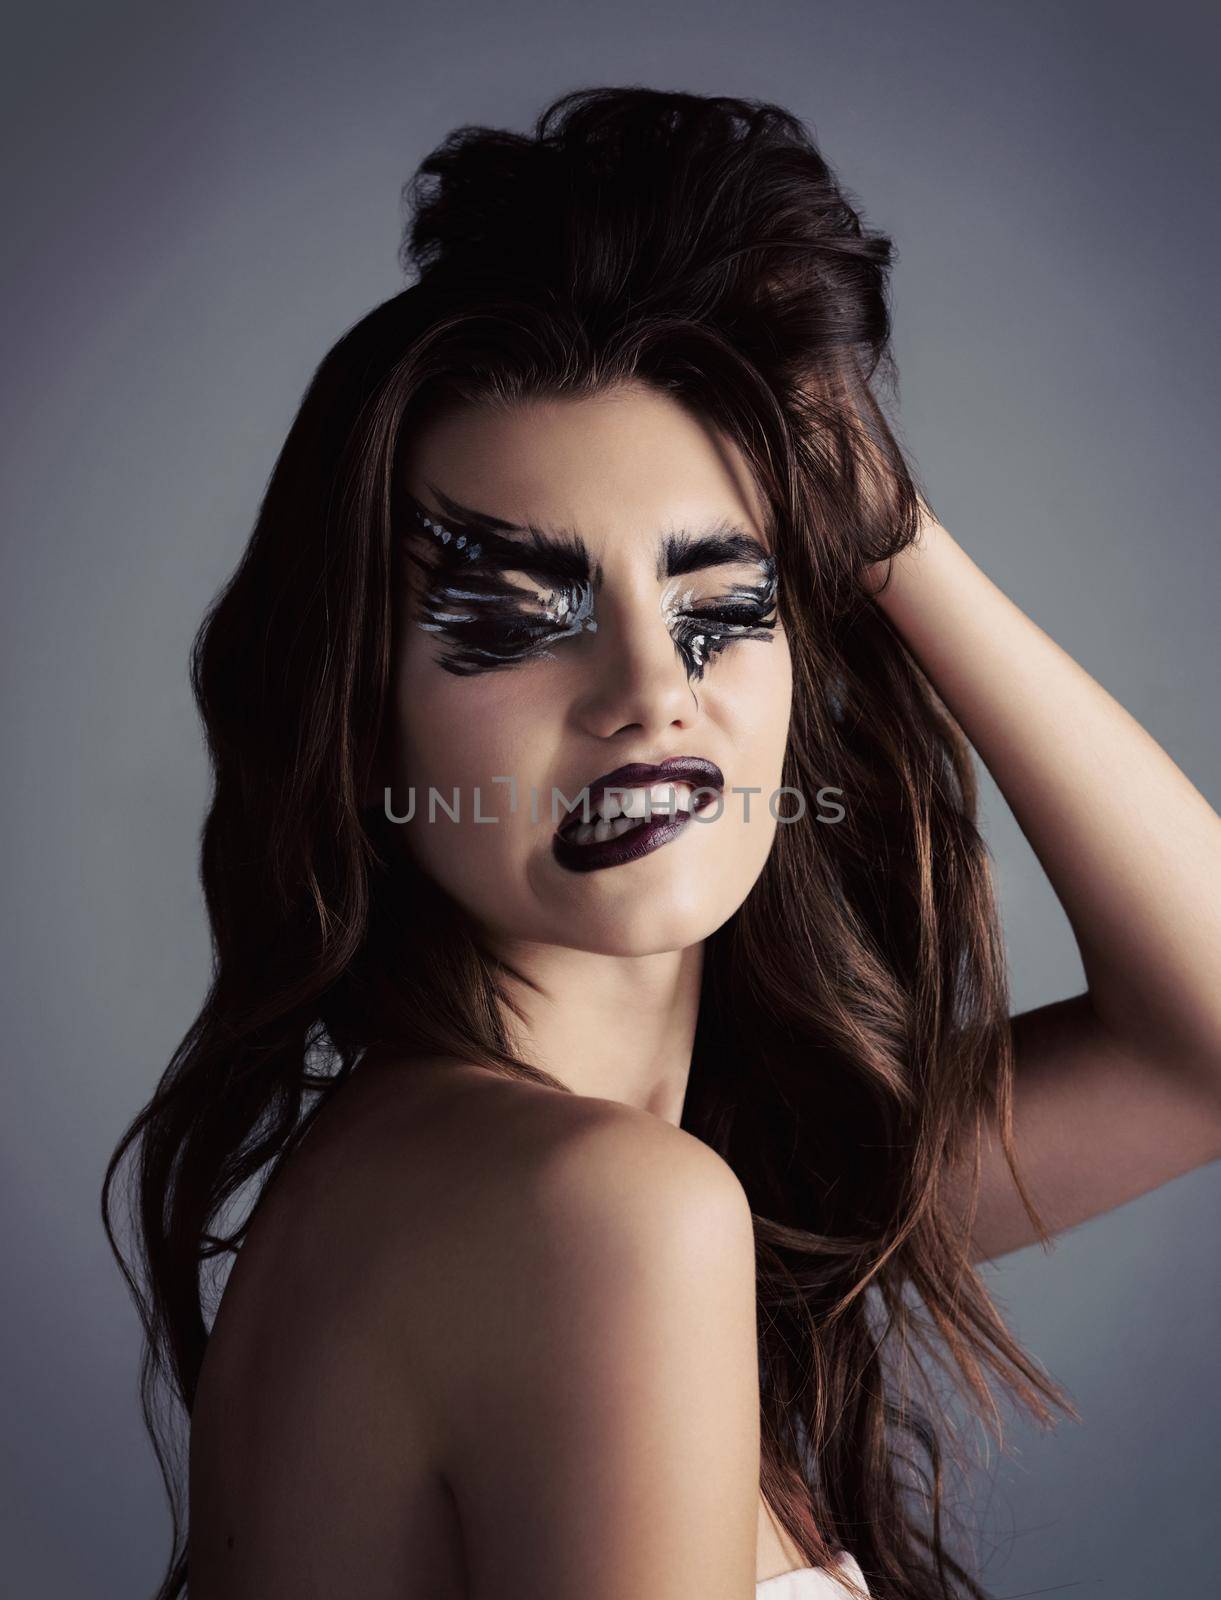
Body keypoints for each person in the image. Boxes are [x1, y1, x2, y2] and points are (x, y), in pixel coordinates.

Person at [103, 87, 1221, 1600]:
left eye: (720, 609)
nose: (649, 696)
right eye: (507, 625)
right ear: (357, 719)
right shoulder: (593, 1215)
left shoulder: (609, 1184)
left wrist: (884, 529)